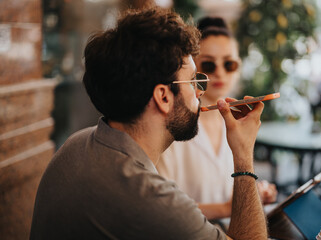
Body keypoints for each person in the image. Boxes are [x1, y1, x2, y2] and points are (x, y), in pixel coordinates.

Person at [30, 7, 267, 240]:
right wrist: (244, 154)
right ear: (163, 97)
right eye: (193, 81)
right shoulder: (152, 198)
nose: (199, 92)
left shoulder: (76, 144)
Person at [157, 16, 277, 221]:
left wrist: (253, 191)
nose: (220, 72)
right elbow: (160, 208)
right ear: (192, 69)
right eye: (209, 65)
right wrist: (229, 207)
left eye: (229, 64)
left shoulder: (235, 122)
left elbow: (228, 186)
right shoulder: (174, 126)